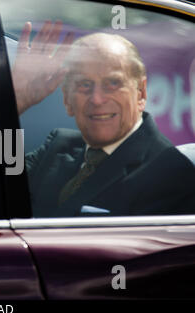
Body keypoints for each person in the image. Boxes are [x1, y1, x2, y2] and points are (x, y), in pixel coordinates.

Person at [12, 21, 195, 217]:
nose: (97, 99)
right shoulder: (57, 145)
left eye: (113, 83)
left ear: (141, 93)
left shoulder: (170, 172)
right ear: (67, 98)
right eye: (84, 84)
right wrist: (16, 100)